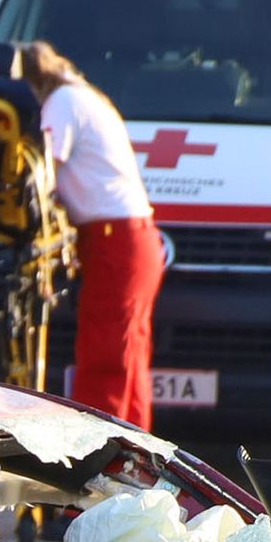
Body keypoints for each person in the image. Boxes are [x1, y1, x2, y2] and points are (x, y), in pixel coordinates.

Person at [16, 41, 166, 428]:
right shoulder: (84, 97)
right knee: (127, 355)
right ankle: (135, 450)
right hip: (129, 237)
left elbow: (42, 172)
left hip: (115, 239)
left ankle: (100, 450)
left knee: (105, 355)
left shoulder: (62, 102)